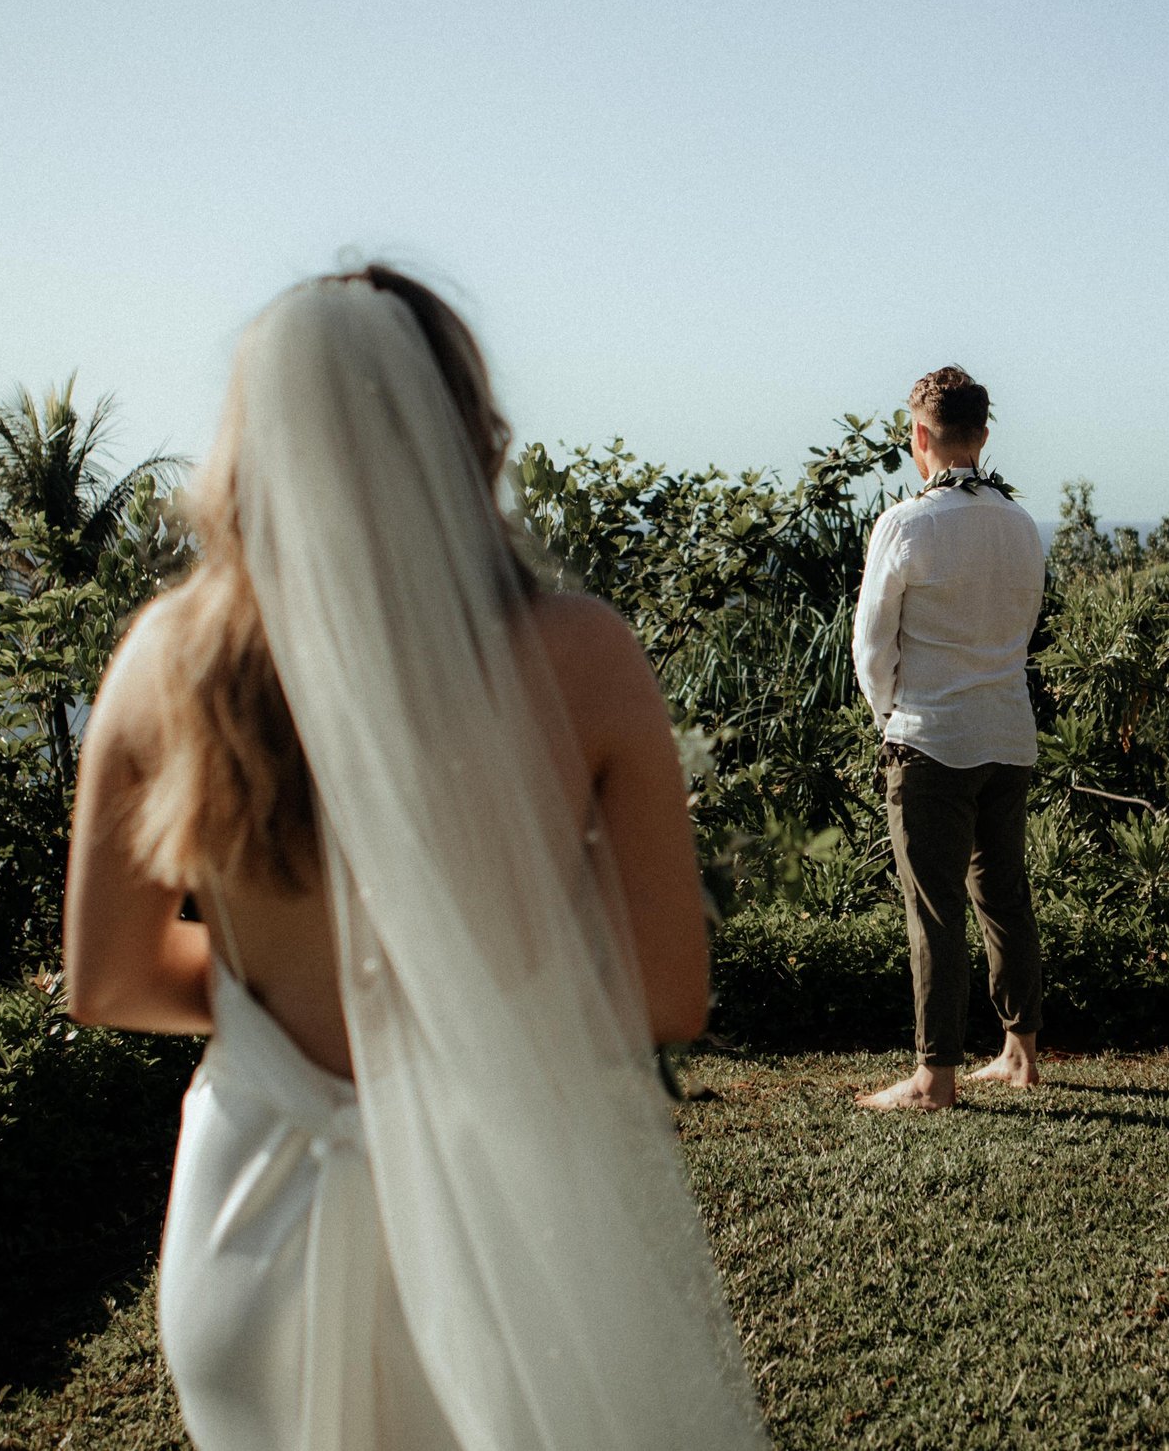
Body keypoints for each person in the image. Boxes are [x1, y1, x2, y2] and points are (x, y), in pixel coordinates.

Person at [61, 267, 766, 1451]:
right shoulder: (579, 656)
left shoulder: (162, 660)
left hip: (248, 1232)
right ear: (467, 438)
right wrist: (447, 999)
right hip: (492, 1231)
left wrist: (279, 1017)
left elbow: (108, 979)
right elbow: (666, 990)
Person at [849, 365, 1048, 1112]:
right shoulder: (1022, 525)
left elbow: (871, 645)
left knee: (935, 909)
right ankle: (1019, 1053)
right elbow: (1021, 630)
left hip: (929, 738)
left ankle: (935, 1077)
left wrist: (890, 716)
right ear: (983, 435)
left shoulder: (905, 523)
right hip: (1008, 733)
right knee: (1005, 896)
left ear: (919, 437)